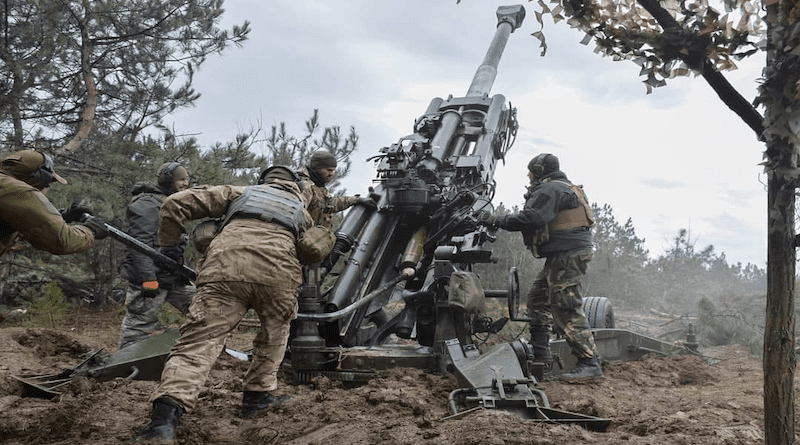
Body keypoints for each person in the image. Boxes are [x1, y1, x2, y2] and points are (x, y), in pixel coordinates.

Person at [132, 166, 313, 443]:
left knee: (198, 343)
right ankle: (257, 398)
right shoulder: (302, 210)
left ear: (263, 181)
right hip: (279, 275)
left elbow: (174, 203)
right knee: (274, 336)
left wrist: (169, 247)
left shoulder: (241, 192)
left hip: (225, 268)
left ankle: (163, 422)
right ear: (297, 186)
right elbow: (310, 250)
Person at [478, 153, 601, 380]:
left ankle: (589, 363)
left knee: (566, 305)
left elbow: (532, 217)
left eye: (530, 171)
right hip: (563, 255)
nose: (528, 175)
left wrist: (495, 220)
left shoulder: (551, 189)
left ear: (539, 170)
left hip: (567, 255)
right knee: (538, 299)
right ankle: (541, 354)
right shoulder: (564, 187)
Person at [117, 162, 196, 350]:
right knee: (139, 324)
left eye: (187, 179)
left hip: (173, 276)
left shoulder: (170, 201)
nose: (185, 183)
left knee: (203, 309)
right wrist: (148, 278)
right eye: (181, 179)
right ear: (168, 181)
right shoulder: (147, 203)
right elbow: (139, 245)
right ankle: (122, 368)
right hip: (151, 277)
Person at [0, 150, 107, 257]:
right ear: (38, 178)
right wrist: (90, 230)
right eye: (48, 182)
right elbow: (61, 240)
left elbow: (27, 224)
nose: (47, 187)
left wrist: (65, 216)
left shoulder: (6, 187)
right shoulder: (18, 191)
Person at [294, 150, 377, 231]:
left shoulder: (317, 185)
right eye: (329, 170)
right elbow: (296, 213)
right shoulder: (304, 186)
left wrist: (356, 200)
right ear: (317, 168)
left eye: (333, 170)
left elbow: (330, 203)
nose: (331, 174)